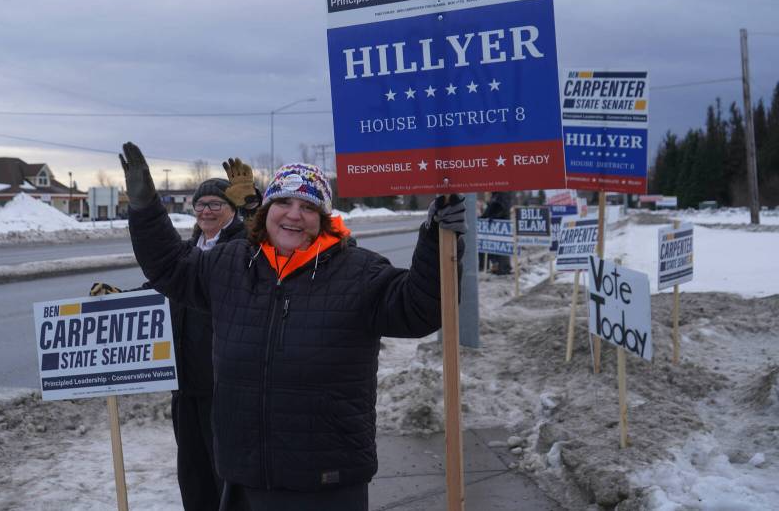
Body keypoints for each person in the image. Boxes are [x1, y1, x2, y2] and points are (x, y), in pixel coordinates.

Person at [119, 142, 466, 511]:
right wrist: (145, 208)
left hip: (324, 480)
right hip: (245, 473)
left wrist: (435, 240)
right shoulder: (232, 263)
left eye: (308, 207)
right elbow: (171, 268)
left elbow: (420, 309)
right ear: (266, 210)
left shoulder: (359, 272)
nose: (294, 215)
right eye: (284, 203)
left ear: (325, 218)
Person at [161, 168, 259, 511]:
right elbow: (165, 287)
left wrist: (252, 208)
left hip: (225, 387)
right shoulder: (189, 252)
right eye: (199, 203)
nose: (205, 210)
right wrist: (118, 299)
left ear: (232, 207)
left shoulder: (244, 248)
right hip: (185, 386)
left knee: (228, 476)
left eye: (215, 203)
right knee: (193, 473)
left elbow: (269, 244)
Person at [481, 191, 513, 275]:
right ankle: (496, 267)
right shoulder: (495, 195)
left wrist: (494, 216)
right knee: (493, 247)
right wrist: (483, 217)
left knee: (501, 247)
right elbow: (491, 208)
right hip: (495, 225)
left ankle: (503, 268)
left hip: (502, 226)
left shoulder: (502, 194)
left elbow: (503, 209)